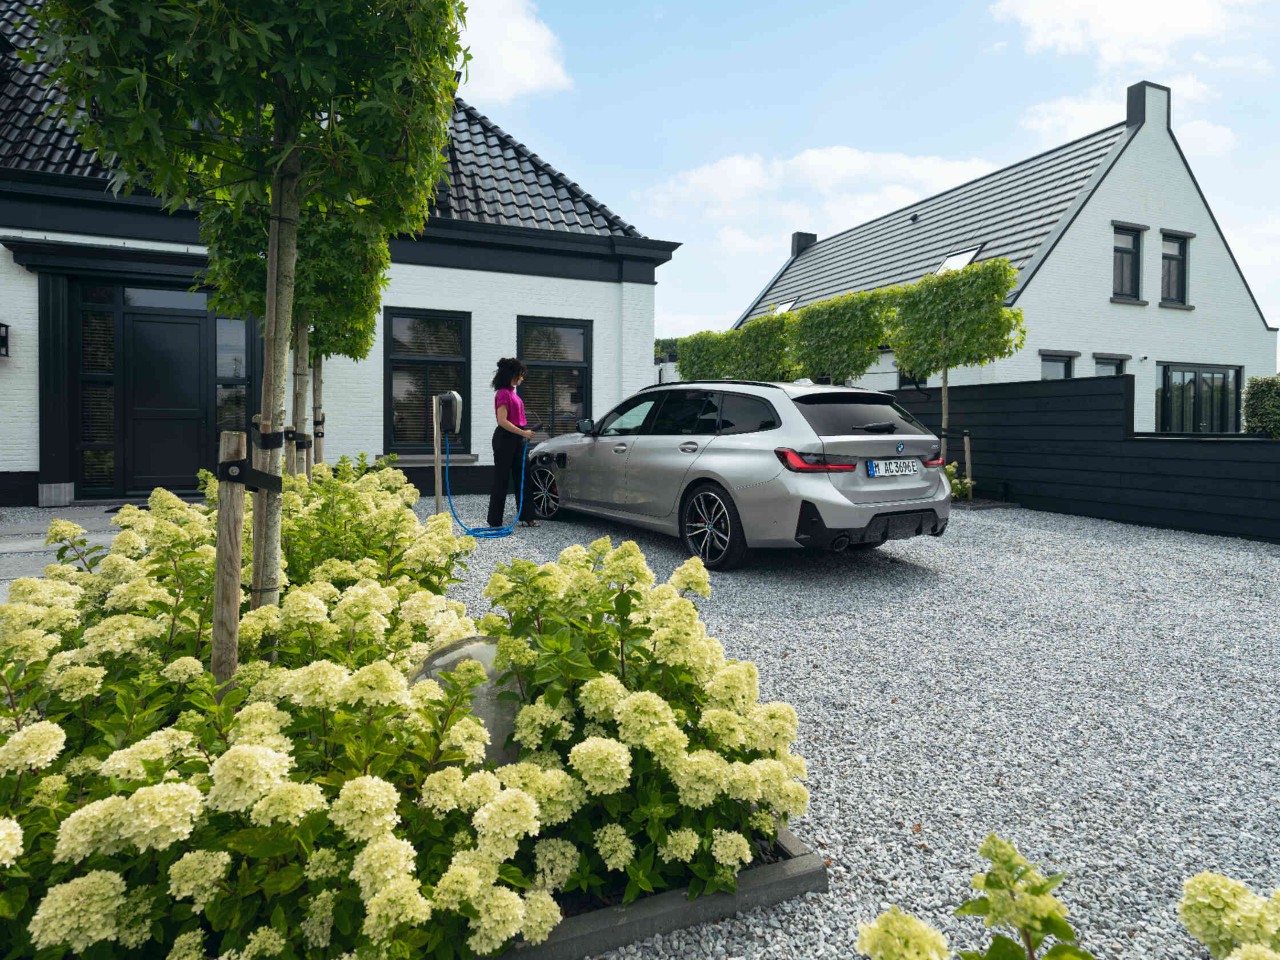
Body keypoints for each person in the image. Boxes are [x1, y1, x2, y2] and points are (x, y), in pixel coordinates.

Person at [487, 357, 538, 528]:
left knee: (523, 477)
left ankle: (527, 517)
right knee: (501, 479)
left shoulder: (512, 393)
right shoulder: (502, 393)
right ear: (513, 375)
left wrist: (523, 433)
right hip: (505, 439)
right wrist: (523, 432)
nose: (522, 378)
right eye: (521, 375)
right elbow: (502, 421)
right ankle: (495, 521)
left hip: (517, 438)